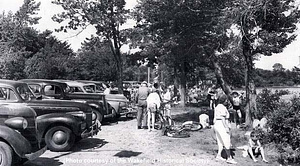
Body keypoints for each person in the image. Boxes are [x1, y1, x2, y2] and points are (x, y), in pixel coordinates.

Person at [213, 95, 237, 164]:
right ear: (224, 100)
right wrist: (226, 127)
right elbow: (223, 118)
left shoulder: (217, 107)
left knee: (220, 141)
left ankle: (218, 155)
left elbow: (215, 118)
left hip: (217, 124)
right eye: (227, 100)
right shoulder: (223, 108)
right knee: (226, 141)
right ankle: (229, 158)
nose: (227, 101)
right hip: (222, 125)